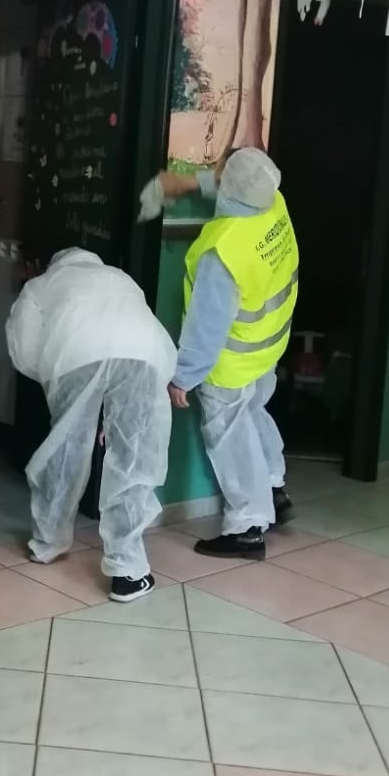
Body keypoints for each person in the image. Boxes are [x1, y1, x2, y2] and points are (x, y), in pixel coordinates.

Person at [6, 249, 176, 602]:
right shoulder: (120, 277)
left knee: (66, 447)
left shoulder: (41, 285)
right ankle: (127, 572)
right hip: (143, 353)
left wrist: (59, 381)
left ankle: (47, 543)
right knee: (132, 457)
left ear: (55, 263)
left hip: (75, 354)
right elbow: (138, 326)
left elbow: (23, 350)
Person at [157, 148, 299, 561]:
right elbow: (232, 182)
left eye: (218, 170)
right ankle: (274, 487)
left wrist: (183, 377)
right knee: (255, 413)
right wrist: (187, 182)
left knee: (231, 437)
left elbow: (207, 325)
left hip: (231, 360)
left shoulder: (222, 252)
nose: (214, 175)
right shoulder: (273, 203)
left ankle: (248, 528)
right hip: (268, 346)